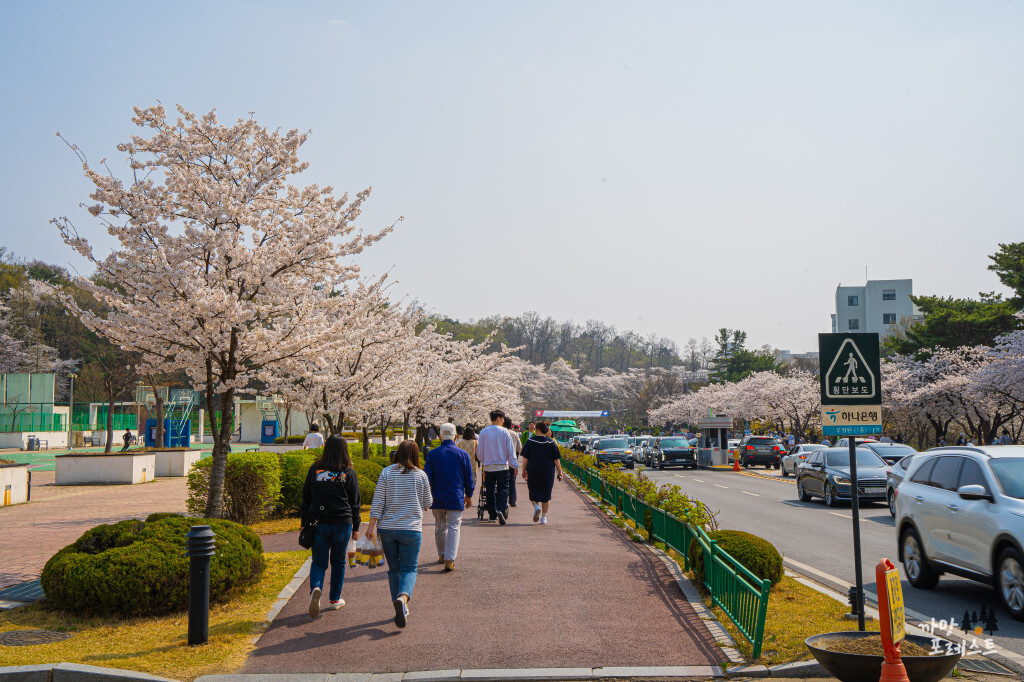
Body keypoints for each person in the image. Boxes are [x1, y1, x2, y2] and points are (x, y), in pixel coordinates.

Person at [365, 440, 432, 628]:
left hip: (386, 528)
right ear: (416, 454)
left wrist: (370, 527)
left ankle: (398, 601)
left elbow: (378, 500)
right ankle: (403, 599)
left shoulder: (386, 472)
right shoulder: (421, 475)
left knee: (394, 569)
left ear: (398, 453)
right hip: (411, 529)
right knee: (410, 569)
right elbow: (428, 501)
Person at [300, 435, 360, 618]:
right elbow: (355, 502)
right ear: (344, 450)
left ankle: (316, 589)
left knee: (318, 562)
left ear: (326, 448)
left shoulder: (315, 470)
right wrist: (356, 528)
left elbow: (306, 498)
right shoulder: (348, 473)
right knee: (338, 561)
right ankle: (334, 599)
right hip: (342, 523)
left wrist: (303, 523)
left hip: (319, 523)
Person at [423, 423, 474, 571]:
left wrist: (426, 498)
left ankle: (441, 554)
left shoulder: (433, 454)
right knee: (454, 527)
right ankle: (450, 558)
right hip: (455, 496)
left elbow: (427, 478)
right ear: (455, 436)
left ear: (439, 437)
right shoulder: (462, 454)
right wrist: (469, 495)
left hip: (437, 497)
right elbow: (468, 478)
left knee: (440, 527)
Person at [476, 410, 518, 524]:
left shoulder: (483, 432)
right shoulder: (505, 432)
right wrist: (514, 465)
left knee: (489, 490)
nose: (504, 421)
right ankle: (500, 508)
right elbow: (510, 450)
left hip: (489, 467)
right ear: (498, 418)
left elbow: (479, 451)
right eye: (503, 419)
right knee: (503, 489)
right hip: (502, 466)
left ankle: (492, 515)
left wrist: (483, 461)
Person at [521, 421, 563, 525]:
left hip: (533, 470)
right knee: (546, 494)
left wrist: (523, 470)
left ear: (537, 429)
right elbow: (556, 459)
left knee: (533, 491)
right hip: (548, 471)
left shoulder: (530, 441)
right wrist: (560, 472)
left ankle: (536, 506)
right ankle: (544, 518)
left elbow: (525, 458)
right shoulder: (551, 442)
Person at [504, 417, 523, 509]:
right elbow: (520, 448)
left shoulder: (500, 433)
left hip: (502, 460)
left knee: (501, 481)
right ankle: (512, 500)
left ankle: (502, 500)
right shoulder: (514, 434)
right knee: (512, 480)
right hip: (512, 460)